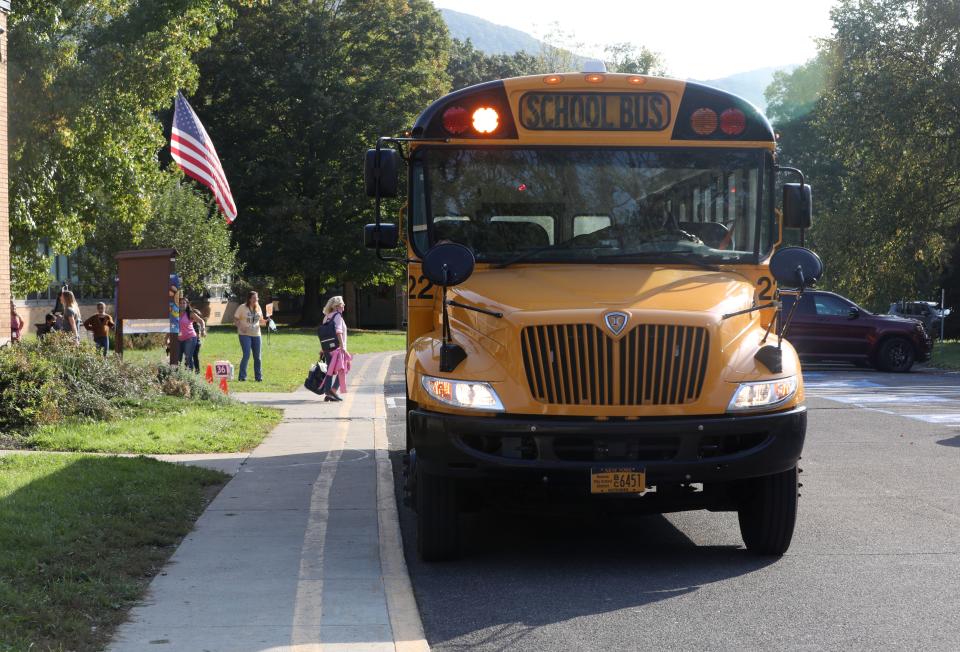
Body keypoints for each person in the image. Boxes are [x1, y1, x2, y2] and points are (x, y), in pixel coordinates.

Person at [318, 296, 350, 401]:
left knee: (330, 370)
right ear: (336, 306)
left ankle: (329, 392)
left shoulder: (326, 317)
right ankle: (332, 391)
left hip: (327, 349)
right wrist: (342, 347)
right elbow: (338, 332)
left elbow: (324, 335)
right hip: (337, 349)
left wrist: (322, 348)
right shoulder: (338, 316)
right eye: (342, 304)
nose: (344, 306)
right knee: (343, 369)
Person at [234, 290, 268, 382]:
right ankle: (242, 377)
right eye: (254, 298)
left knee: (258, 357)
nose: (256, 299)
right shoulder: (242, 307)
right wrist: (241, 327)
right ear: (249, 299)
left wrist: (266, 322)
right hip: (244, 334)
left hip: (257, 334)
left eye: (257, 298)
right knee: (246, 355)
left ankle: (258, 377)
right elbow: (236, 320)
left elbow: (260, 321)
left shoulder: (258, 307)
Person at [177, 297, 204, 372]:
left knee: (188, 357)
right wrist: (167, 338)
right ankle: (178, 376)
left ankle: (189, 376)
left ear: (187, 304)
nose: (182, 304)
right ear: (178, 304)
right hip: (179, 339)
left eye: (184, 303)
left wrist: (203, 330)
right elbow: (171, 326)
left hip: (190, 338)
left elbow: (201, 321)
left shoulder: (190, 313)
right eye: (180, 303)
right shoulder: (175, 314)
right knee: (178, 358)